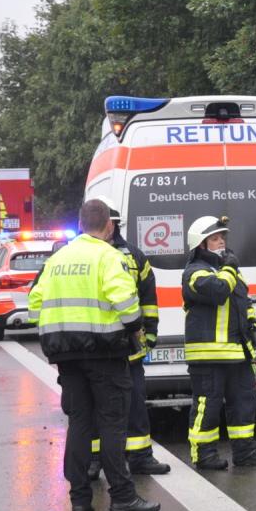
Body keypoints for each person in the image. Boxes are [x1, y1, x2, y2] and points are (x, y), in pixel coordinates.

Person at [27, 199, 160, 511]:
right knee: (113, 425)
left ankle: (79, 503)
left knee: (80, 425)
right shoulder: (108, 256)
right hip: (105, 353)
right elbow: (128, 306)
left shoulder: (58, 259)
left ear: (81, 223)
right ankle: (123, 498)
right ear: (109, 225)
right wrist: (135, 330)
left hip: (66, 356)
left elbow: (34, 305)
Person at [83, 197, 170, 478]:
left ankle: (141, 456)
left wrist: (152, 333)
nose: (111, 230)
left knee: (135, 404)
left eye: (115, 225)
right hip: (97, 346)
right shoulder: (85, 256)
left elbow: (148, 299)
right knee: (96, 406)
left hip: (129, 347)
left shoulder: (134, 256)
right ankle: (94, 459)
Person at [182, 215, 256, 470]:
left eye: (222, 237)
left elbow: (244, 303)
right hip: (208, 356)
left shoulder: (232, 272)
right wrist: (230, 269)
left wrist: (252, 327)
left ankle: (244, 452)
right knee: (207, 406)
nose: (221, 242)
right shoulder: (193, 273)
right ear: (200, 245)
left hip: (237, 353)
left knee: (244, 403)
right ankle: (204, 454)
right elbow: (219, 291)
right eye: (214, 238)